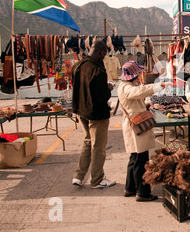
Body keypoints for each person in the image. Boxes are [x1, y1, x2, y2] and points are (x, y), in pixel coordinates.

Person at [118, 61, 171, 201]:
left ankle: (129, 188)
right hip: (135, 127)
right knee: (141, 161)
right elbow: (138, 92)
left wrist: (145, 105)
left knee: (134, 158)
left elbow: (134, 99)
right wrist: (159, 85)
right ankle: (142, 193)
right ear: (133, 76)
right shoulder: (126, 87)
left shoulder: (126, 86)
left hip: (134, 124)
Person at [72, 41, 116, 188]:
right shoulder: (98, 71)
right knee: (98, 146)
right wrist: (109, 87)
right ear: (101, 52)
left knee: (87, 141)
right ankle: (97, 180)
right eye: (105, 54)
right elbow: (102, 97)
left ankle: (78, 177)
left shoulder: (78, 65)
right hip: (96, 114)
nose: (105, 57)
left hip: (81, 110)